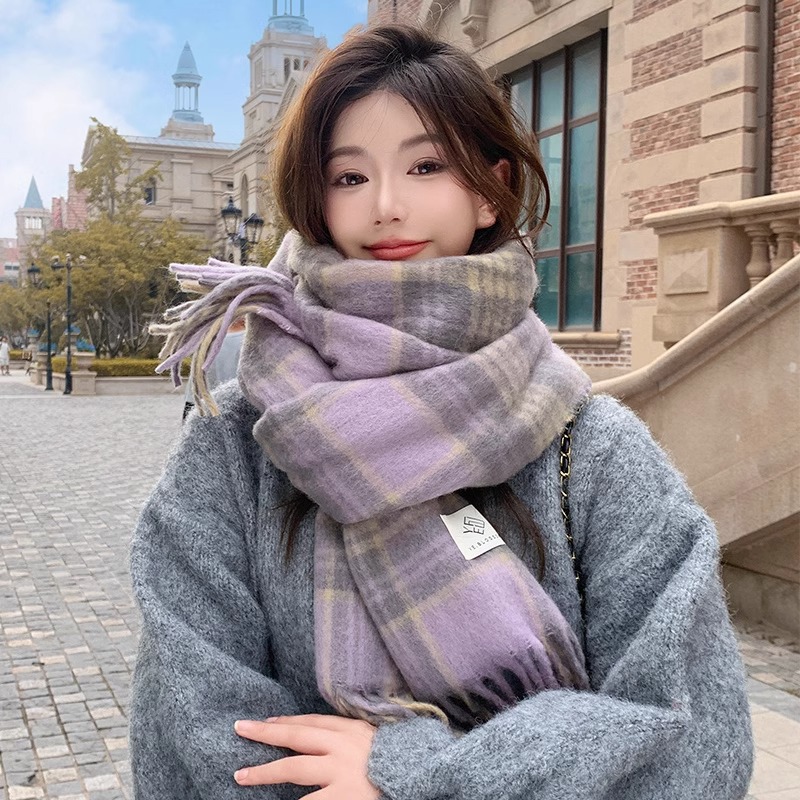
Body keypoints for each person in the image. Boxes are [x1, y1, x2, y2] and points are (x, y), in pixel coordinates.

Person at [130, 23, 753, 800]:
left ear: (489, 190)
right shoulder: (237, 448)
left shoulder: (593, 453)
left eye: (426, 166)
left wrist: (413, 773)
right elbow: (192, 734)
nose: (386, 206)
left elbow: (696, 746)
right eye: (348, 176)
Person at [182, 317, 245, 421]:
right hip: (243, 415)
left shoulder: (206, 339)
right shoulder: (259, 342)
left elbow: (193, 395)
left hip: (203, 413)